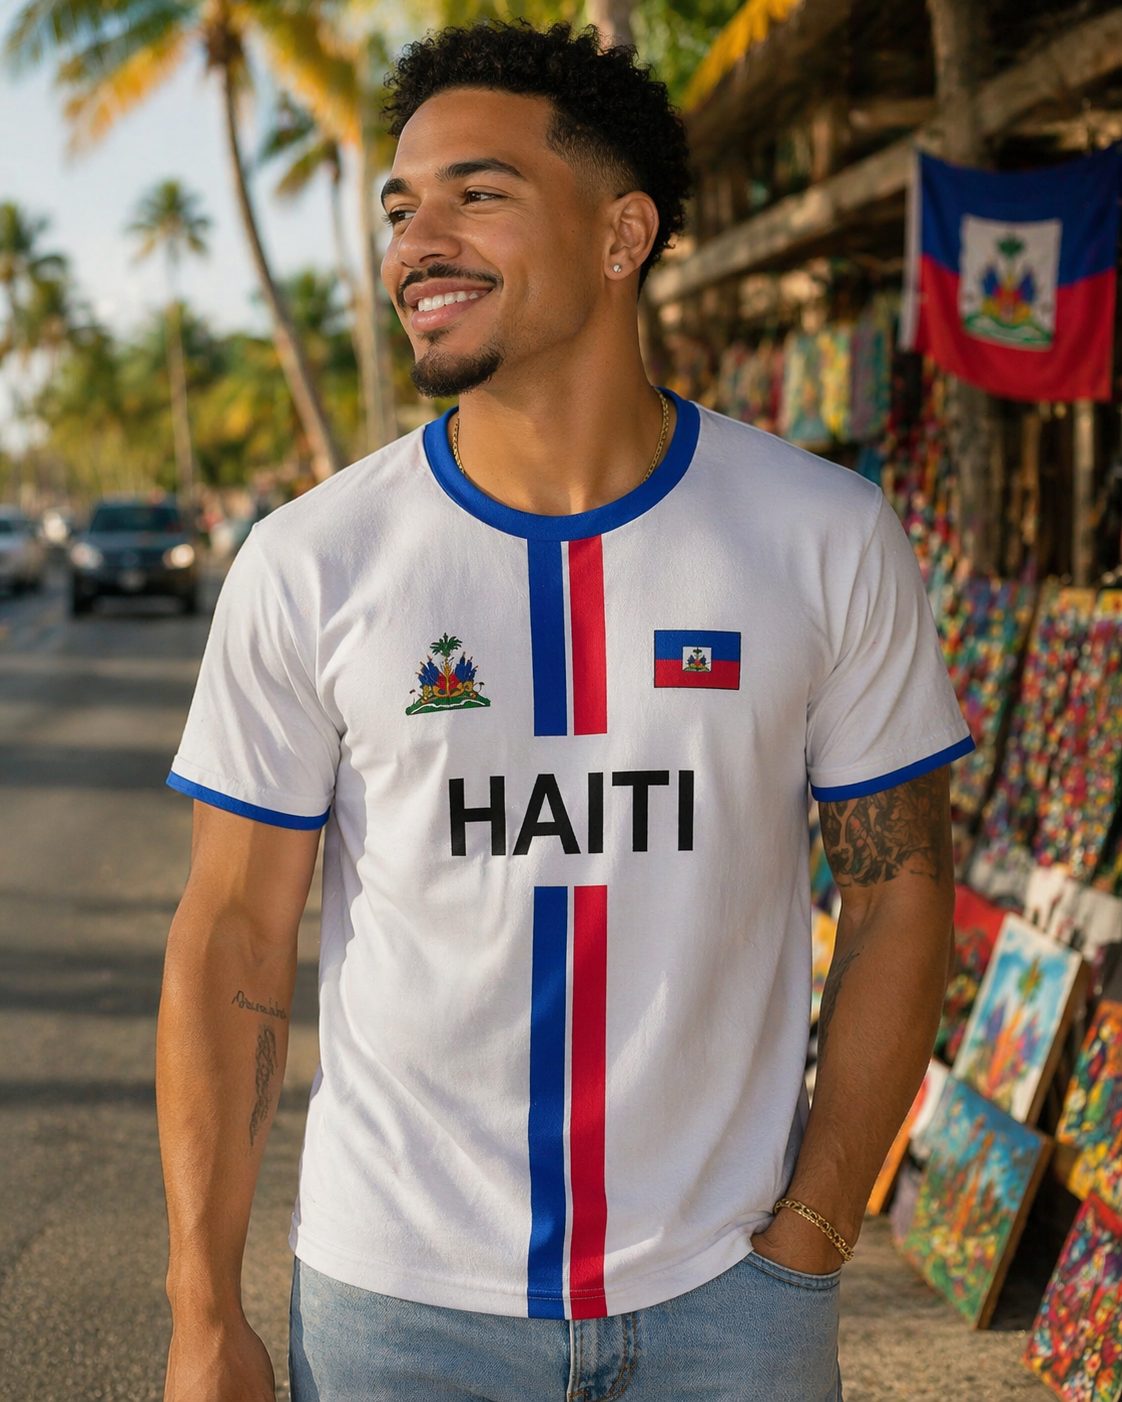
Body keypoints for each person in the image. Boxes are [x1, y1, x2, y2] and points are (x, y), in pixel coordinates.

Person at [157, 21, 972, 1402]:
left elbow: (902, 894)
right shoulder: (312, 562)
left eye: (478, 192)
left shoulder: (822, 535)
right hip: (394, 1318)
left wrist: (811, 1234)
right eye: (399, 206)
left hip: (730, 1304)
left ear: (620, 235)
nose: (417, 238)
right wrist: (199, 1307)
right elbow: (233, 932)